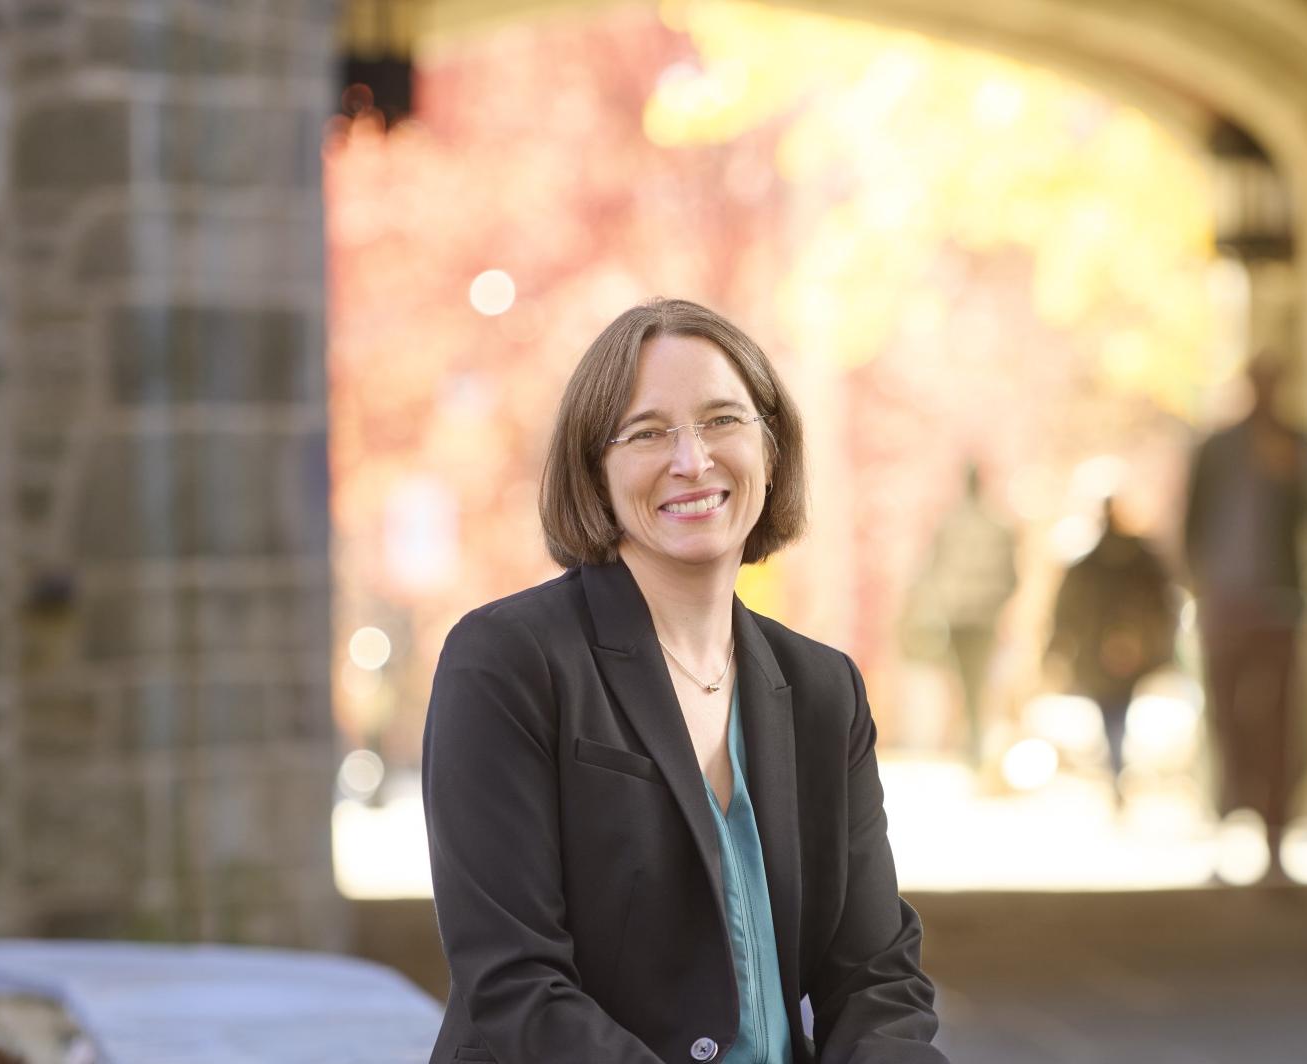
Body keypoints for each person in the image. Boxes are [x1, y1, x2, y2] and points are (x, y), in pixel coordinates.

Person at [422, 299, 948, 1063]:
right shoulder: (506, 663)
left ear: (771, 447)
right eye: (647, 432)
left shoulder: (823, 689)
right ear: (593, 468)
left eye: (723, 420)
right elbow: (515, 983)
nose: (693, 460)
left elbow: (876, 977)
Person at [1183, 351, 1307, 882]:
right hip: (1226, 607)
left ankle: (1275, 845)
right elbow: (1193, 522)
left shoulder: (1295, 444)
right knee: (1228, 724)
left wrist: (1291, 473)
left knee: (1279, 727)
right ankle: (1224, 839)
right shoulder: (1218, 448)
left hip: (1278, 605)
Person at [1047, 496, 1176, 806]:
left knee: (1114, 713)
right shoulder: (1099, 562)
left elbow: (1162, 604)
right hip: (1103, 652)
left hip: (1122, 653)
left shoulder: (1137, 560)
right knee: (1112, 713)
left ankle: (1117, 768)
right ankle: (1116, 768)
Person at [915, 464, 1017, 769]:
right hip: (983, 617)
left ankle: (972, 742)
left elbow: (932, 570)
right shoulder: (998, 526)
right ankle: (973, 741)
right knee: (976, 680)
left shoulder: (950, 525)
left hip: (960, 616)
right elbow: (1012, 576)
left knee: (965, 680)